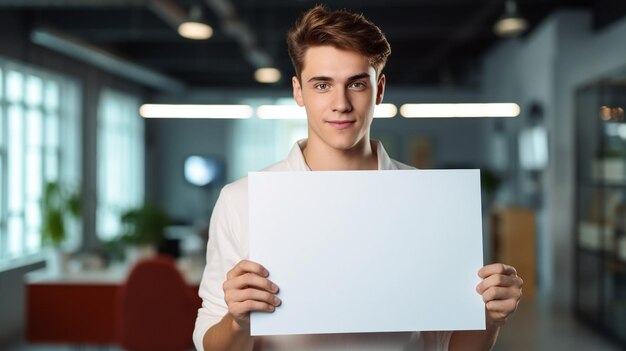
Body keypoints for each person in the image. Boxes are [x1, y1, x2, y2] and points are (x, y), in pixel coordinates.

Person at [193, 5, 523, 351]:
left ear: (379, 90)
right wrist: (237, 321)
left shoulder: (429, 201)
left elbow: (445, 345)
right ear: (298, 92)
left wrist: (489, 317)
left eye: (356, 84)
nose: (341, 103)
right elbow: (209, 340)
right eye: (322, 85)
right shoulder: (241, 199)